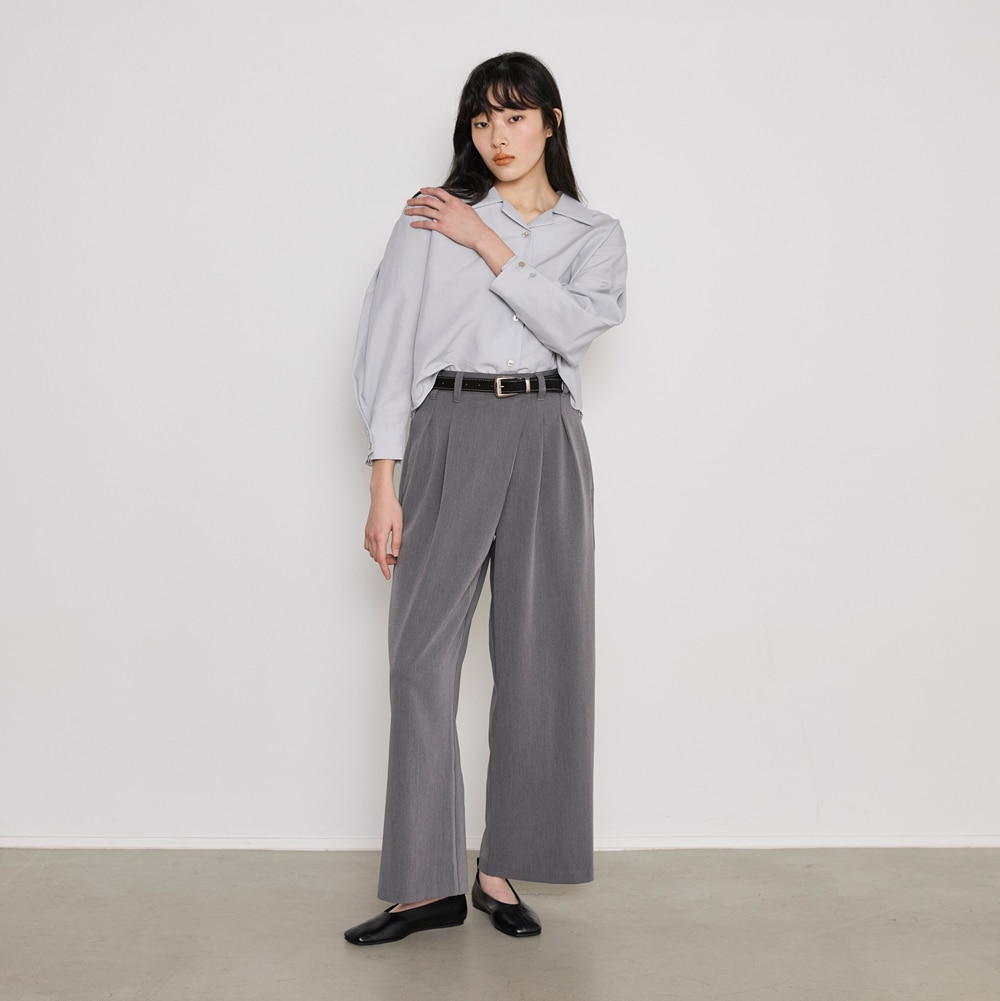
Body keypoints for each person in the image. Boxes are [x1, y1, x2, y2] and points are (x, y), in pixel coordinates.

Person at [344, 52, 627, 946]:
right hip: (448, 426)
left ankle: (501, 867)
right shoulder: (433, 216)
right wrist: (383, 479)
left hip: (547, 435)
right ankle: (423, 881)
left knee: (544, 658)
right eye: (481, 120)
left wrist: (487, 243)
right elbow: (387, 343)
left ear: (550, 122)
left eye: (514, 117)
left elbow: (578, 323)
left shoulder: (594, 232)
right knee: (419, 659)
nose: (497, 136)